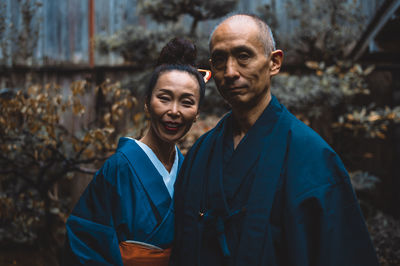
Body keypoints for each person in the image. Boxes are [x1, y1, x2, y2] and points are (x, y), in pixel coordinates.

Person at [170, 14, 379, 266]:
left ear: (274, 63)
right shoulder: (201, 152)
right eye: (219, 59)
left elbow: (341, 252)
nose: (230, 71)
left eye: (243, 56)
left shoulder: (312, 156)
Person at [63, 37, 206, 265]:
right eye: (164, 98)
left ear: (197, 112)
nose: (174, 111)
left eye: (187, 102)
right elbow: (84, 244)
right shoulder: (117, 168)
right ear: (147, 103)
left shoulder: (189, 171)